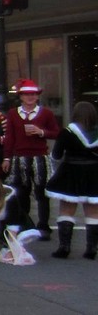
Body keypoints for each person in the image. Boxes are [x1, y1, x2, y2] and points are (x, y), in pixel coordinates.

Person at [3, 78, 59, 239]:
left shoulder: (46, 113)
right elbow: (10, 138)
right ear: (21, 96)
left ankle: (44, 226)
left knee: (42, 194)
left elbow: (56, 133)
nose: (30, 97)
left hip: (39, 156)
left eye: (33, 94)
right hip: (20, 157)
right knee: (22, 193)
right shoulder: (14, 114)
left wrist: (41, 132)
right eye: (26, 94)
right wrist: (7, 158)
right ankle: (25, 223)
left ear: (37, 96)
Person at [46, 101, 98, 259]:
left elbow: (56, 155)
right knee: (93, 211)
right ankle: (91, 249)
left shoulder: (67, 132)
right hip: (94, 173)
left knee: (67, 209)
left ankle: (64, 247)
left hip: (70, 172)